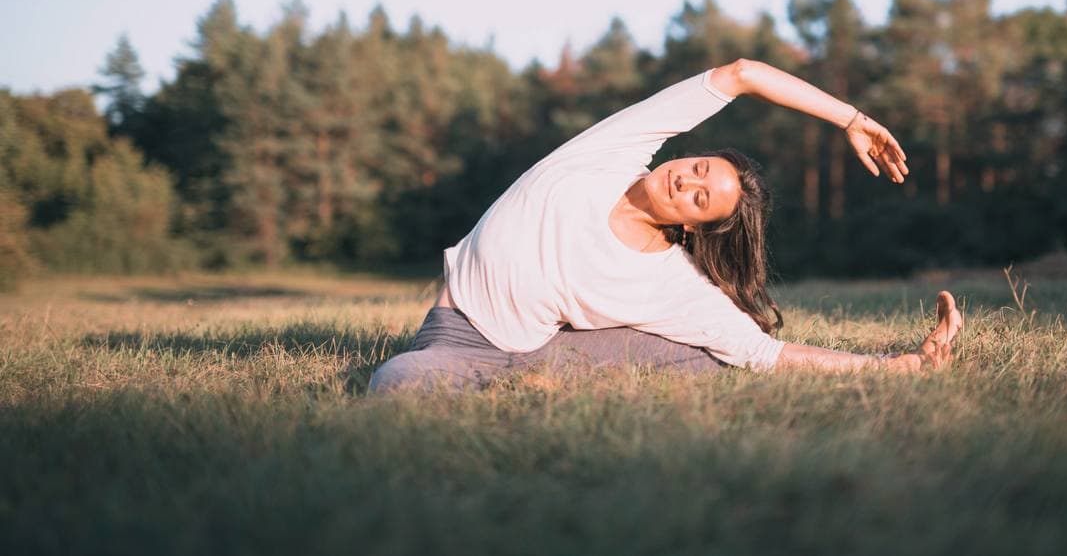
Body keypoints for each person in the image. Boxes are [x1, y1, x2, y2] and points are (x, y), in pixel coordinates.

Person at [369, 58, 962, 393]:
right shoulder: (613, 150)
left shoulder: (669, 282)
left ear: (695, 227)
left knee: (723, 356)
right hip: (460, 337)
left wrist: (900, 366)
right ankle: (500, 393)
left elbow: (767, 353)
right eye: (699, 169)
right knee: (395, 384)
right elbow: (740, 74)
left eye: (702, 198)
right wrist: (852, 118)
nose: (687, 182)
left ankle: (532, 392)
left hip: (544, 352)